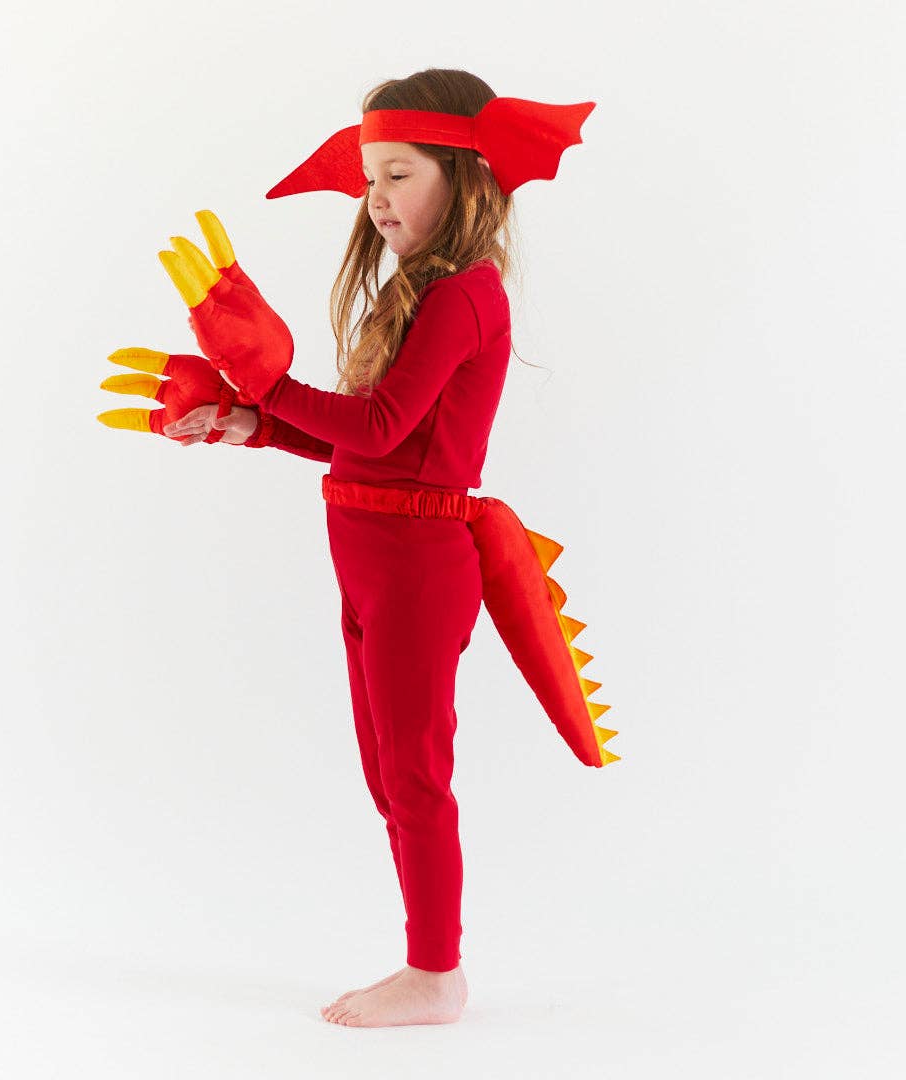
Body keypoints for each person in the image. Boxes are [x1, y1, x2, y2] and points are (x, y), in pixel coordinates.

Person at [145, 67, 610, 1028]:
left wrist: (269, 384)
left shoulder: (465, 296)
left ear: (464, 176)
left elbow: (383, 424)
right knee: (388, 775)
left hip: (414, 565)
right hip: (370, 558)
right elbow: (369, 444)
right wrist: (245, 421)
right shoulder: (419, 294)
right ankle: (430, 963)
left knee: (414, 776)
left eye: (398, 174)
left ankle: (436, 974)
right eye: (369, 179)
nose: (377, 198)